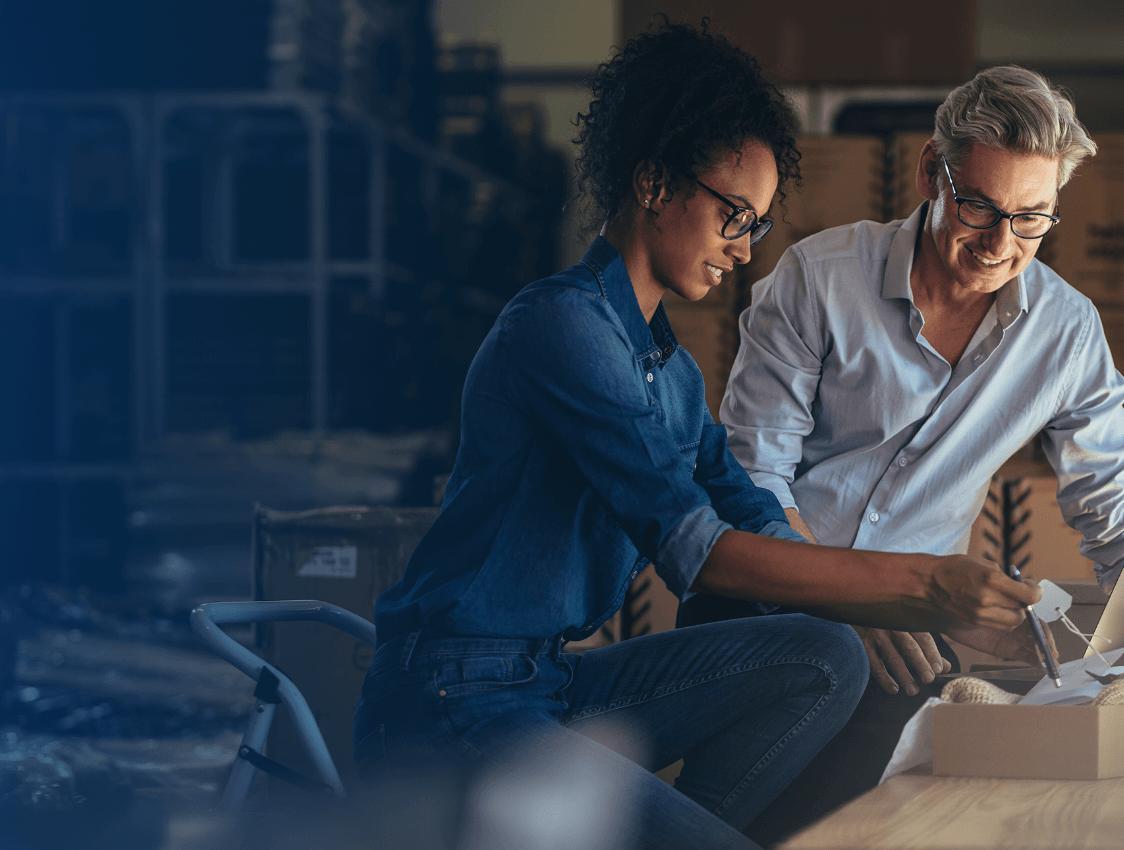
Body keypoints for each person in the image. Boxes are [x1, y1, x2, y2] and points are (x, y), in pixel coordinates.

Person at [351, 24, 1041, 850]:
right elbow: (699, 552)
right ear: (652, 182)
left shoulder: (666, 370)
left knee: (829, 654)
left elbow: (749, 508)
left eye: (756, 225)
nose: (745, 252)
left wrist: (885, 606)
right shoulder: (562, 328)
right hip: (450, 698)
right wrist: (925, 585)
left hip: (549, 682)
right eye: (733, 215)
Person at [689, 65, 1124, 843]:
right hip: (767, 603)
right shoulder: (818, 279)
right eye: (978, 206)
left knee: (872, 829)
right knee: (733, 827)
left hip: (910, 634)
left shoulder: (1067, 332)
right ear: (929, 174)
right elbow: (751, 480)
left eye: (1033, 218)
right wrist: (851, 595)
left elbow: (1114, 514)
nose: (1001, 244)